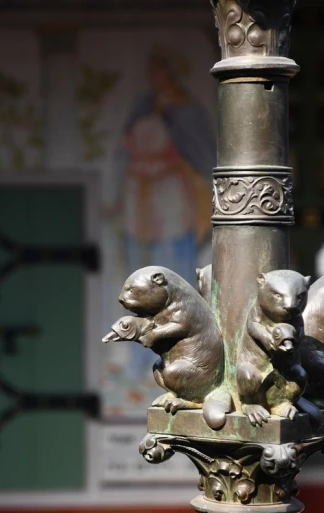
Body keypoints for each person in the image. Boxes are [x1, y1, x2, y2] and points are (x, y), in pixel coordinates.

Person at [110, 45, 216, 380]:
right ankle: (137, 360)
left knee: (172, 277)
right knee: (138, 281)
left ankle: (183, 356)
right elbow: (125, 151)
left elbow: (199, 151)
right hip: (137, 200)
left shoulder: (186, 110)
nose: (156, 77)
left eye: (161, 70)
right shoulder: (144, 105)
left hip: (170, 200)